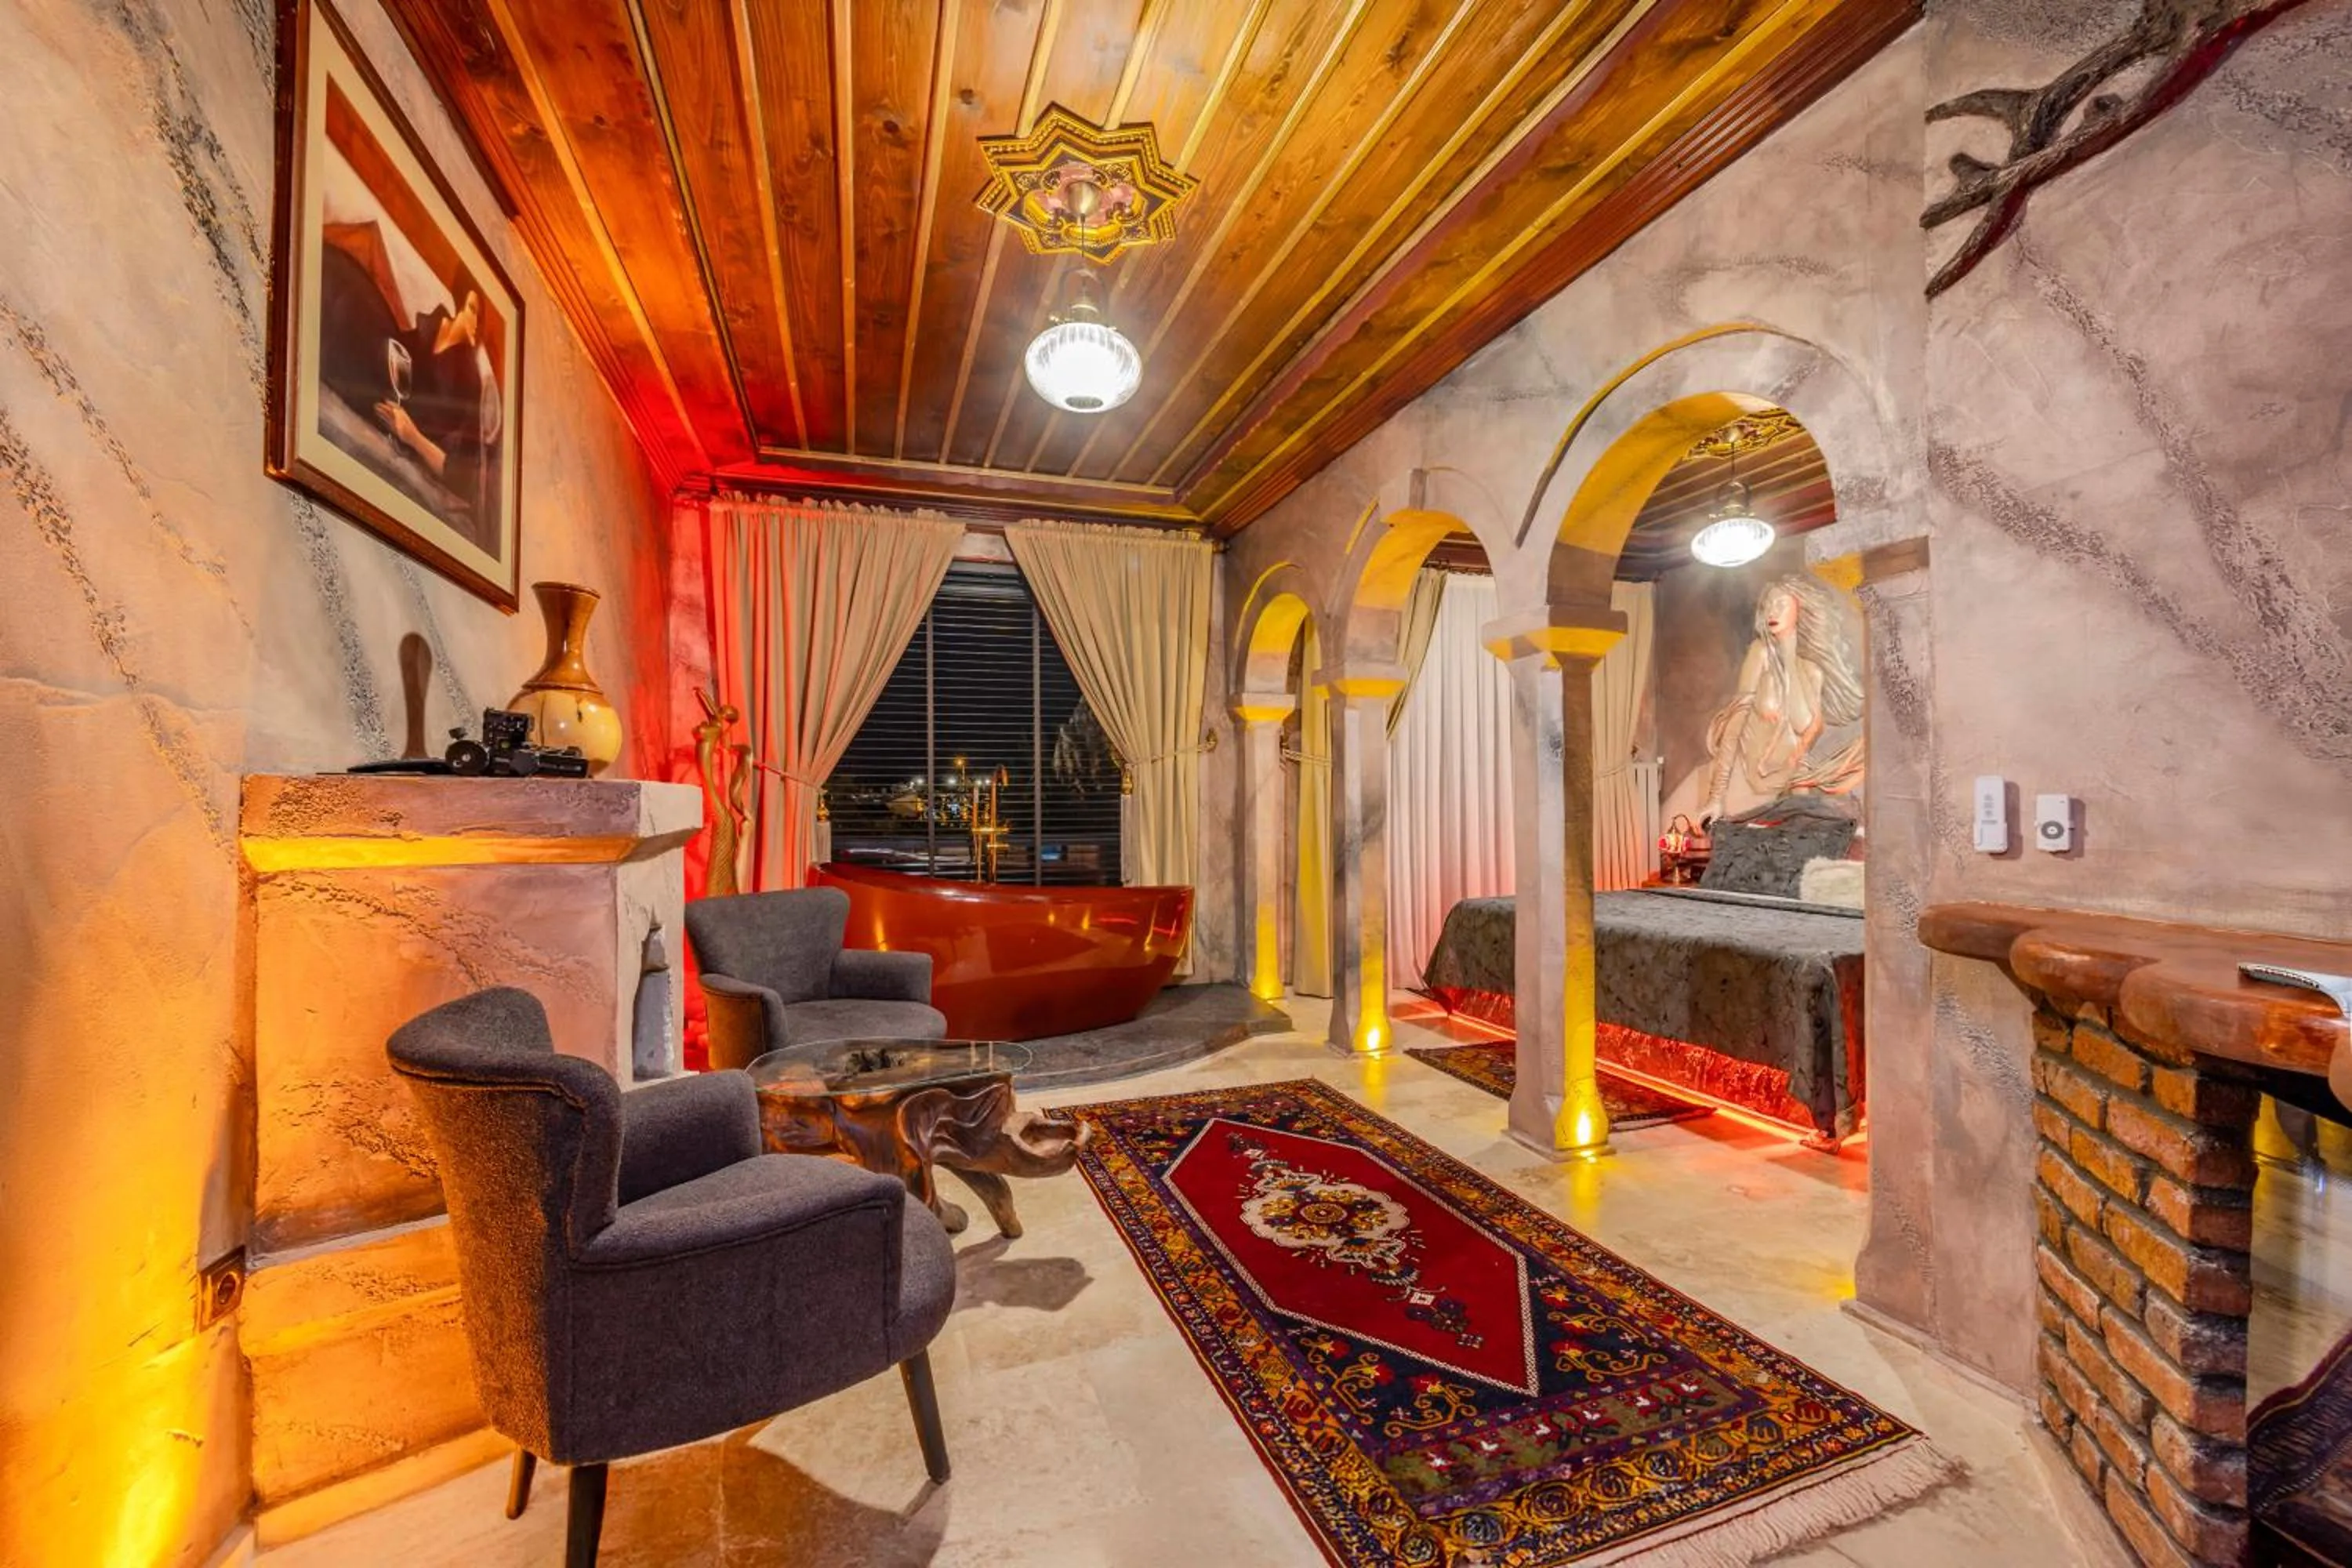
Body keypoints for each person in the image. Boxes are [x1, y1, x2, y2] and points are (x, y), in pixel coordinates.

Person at [316, 237, 495, 534]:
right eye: (472, 308)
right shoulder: (434, 327)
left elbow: (461, 470)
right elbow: (400, 352)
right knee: (354, 298)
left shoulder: (469, 382)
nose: (474, 321)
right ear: (460, 301)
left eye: (478, 314)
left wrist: (411, 435)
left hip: (400, 422)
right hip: (388, 379)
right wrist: (393, 356)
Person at [1697, 573, 1865, 825]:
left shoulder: (1812, 671)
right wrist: (1716, 797)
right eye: (1768, 606)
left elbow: (1804, 728)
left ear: (1800, 609)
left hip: (1789, 782)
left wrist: (1789, 653)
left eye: (1781, 604)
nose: (1772, 612)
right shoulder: (1760, 653)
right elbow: (1734, 726)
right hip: (1747, 779)